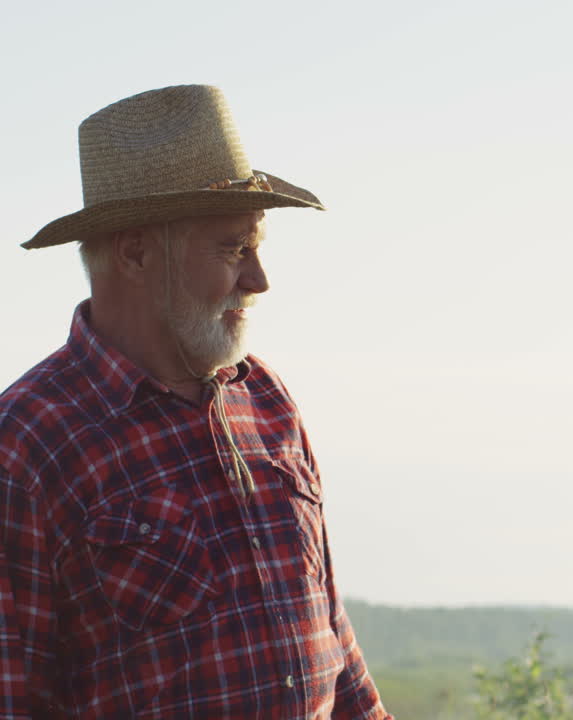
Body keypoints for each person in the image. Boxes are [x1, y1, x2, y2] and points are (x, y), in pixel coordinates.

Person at [0, 85, 392, 719]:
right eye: (234, 248)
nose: (259, 279)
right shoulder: (27, 444)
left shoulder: (262, 397)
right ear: (134, 253)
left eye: (258, 247)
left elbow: (325, 627)